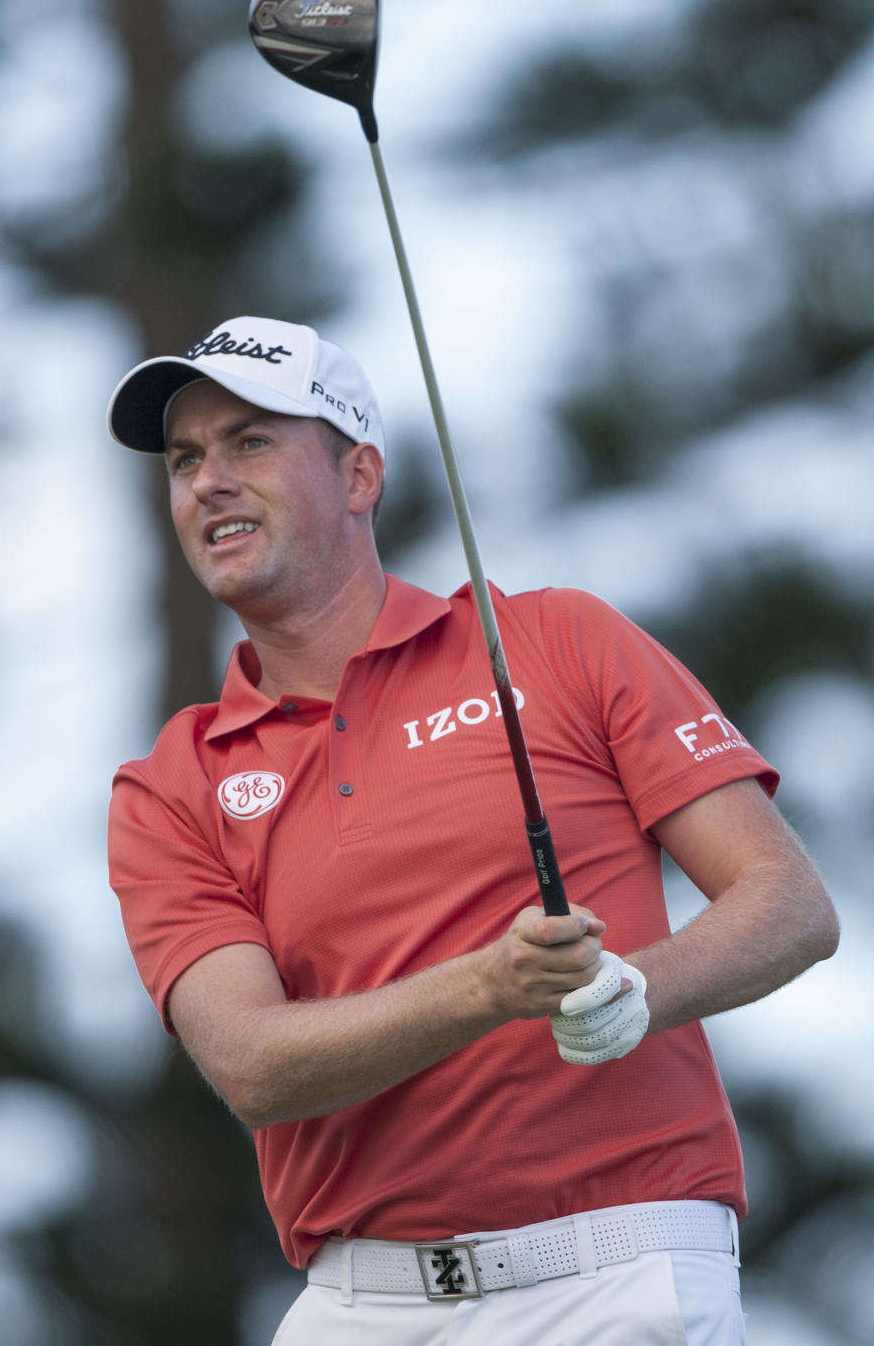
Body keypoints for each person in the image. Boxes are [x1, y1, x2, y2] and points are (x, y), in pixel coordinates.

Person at [106, 314, 839, 1346]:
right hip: (358, 1303)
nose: (207, 481)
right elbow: (253, 1064)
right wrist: (490, 987)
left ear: (359, 475)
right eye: (185, 459)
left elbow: (790, 902)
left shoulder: (559, 638)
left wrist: (636, 991)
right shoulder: (171, 783)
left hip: (616, 1272)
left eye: (250, 442)